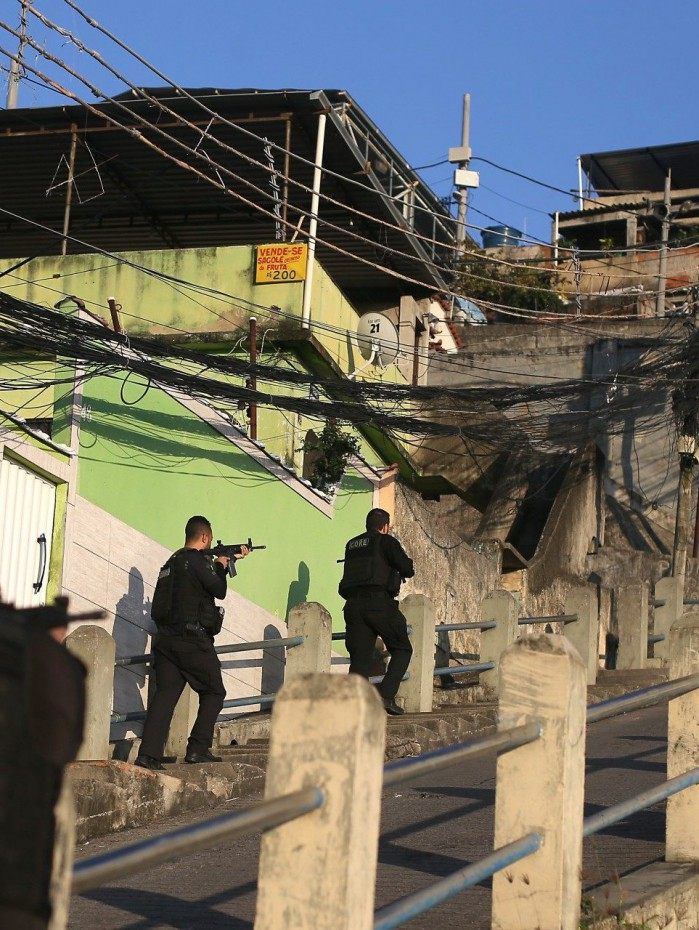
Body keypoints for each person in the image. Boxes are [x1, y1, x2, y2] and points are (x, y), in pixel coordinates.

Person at [135, 516, 249, 770]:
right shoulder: (197, 561)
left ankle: (148, 754)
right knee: (214, 692)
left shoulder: (170, 563)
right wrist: (221, 565)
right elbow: (219, 590)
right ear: (205, 538)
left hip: (166, 641)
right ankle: (198, 748)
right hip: (192, 640)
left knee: (165, 695)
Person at [339, 508, 415, 715]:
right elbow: (407, 569)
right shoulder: (386, 541)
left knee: (360, 658)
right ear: (385, 526)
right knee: (402, 649)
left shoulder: (352, 544)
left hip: (353, 606)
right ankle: (386, 696)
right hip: (379, 603)